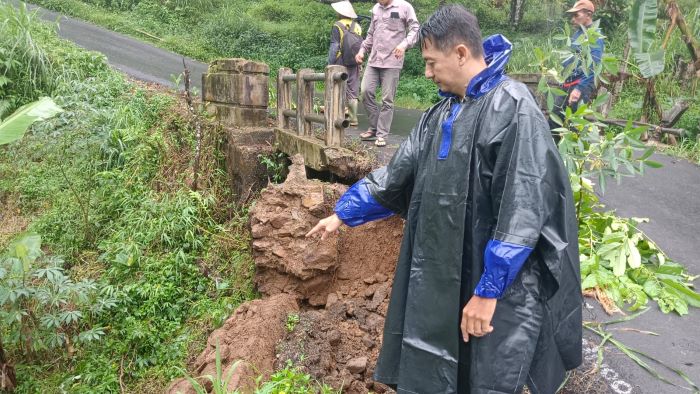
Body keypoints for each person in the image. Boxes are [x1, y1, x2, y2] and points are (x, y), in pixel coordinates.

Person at [307, 5, 582, 393]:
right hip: (438, 277)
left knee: (485, 372)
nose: (427, 73)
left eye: (432, 62)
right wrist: (343, 214)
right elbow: (397, 174)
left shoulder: (513, 108)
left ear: (460, 53)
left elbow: (523, 208)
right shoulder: (440, 113)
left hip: (497, 288)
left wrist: (488, 292)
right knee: (435, 369)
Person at [355, 0, 419, 147]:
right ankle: (374, 127)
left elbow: (415, 28)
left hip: (392, 61)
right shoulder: (376, 9)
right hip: (374, 60)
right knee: (365, 92)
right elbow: (371, 33)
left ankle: (381, 134)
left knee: (387, 100)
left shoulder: (404, 7)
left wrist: (404, 44)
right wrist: (362, 50)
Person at [550, 0, 605, 132]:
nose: (573, 19)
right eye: (572, 16)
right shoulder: (578, 34)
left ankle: (572, 150)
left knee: (573, 124)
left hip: (579, 85)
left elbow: (594, 66)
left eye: (577, 15)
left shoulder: (595, 36)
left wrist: (579, 89)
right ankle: (553, 151)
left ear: (589, 14)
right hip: (567, 83)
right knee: (554, 121)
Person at [328, 1, 363, 127]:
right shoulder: (358, 26)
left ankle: (338, 114)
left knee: (338, 85)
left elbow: (335, 46)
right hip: (355, 60)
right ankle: (353, 118)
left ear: (340, 12)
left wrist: (330, 63)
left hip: (340, 60)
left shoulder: (337, 25)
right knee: (353, 89)